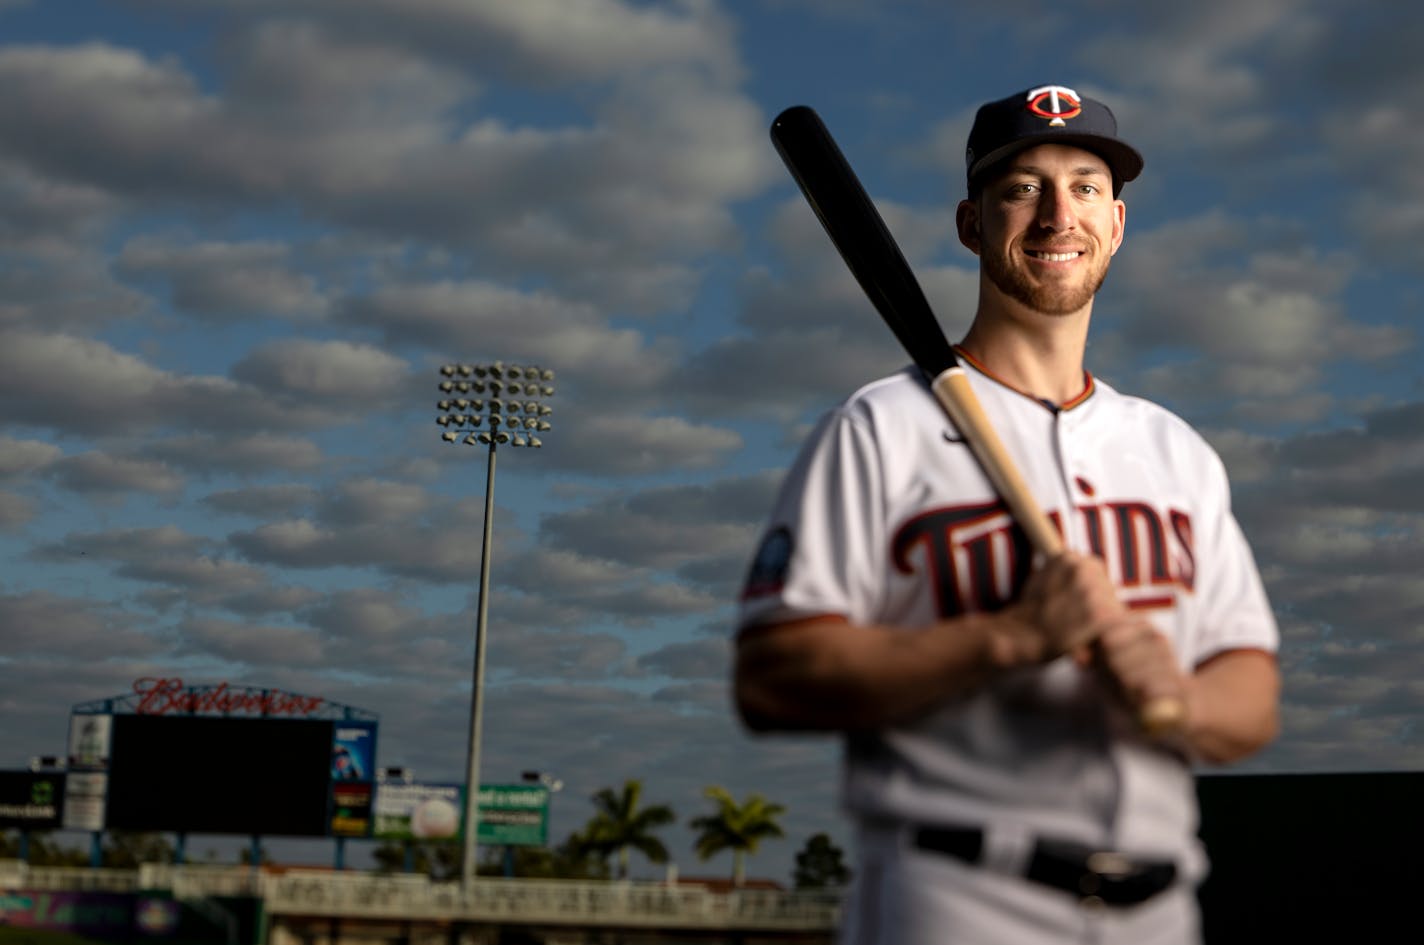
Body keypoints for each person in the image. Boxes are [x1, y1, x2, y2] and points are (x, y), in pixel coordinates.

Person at [734, 84, 1280, 945]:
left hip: (1163, 909)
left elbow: (1251, 688)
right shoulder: (881, 427)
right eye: (1024, 187)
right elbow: (772, 676)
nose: (1060, 214)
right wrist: (1008, 638)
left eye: (1087, 187)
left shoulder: (1175, 451)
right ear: (971, 223)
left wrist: (1181, 695)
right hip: (960, 896)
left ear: (1118, 224)